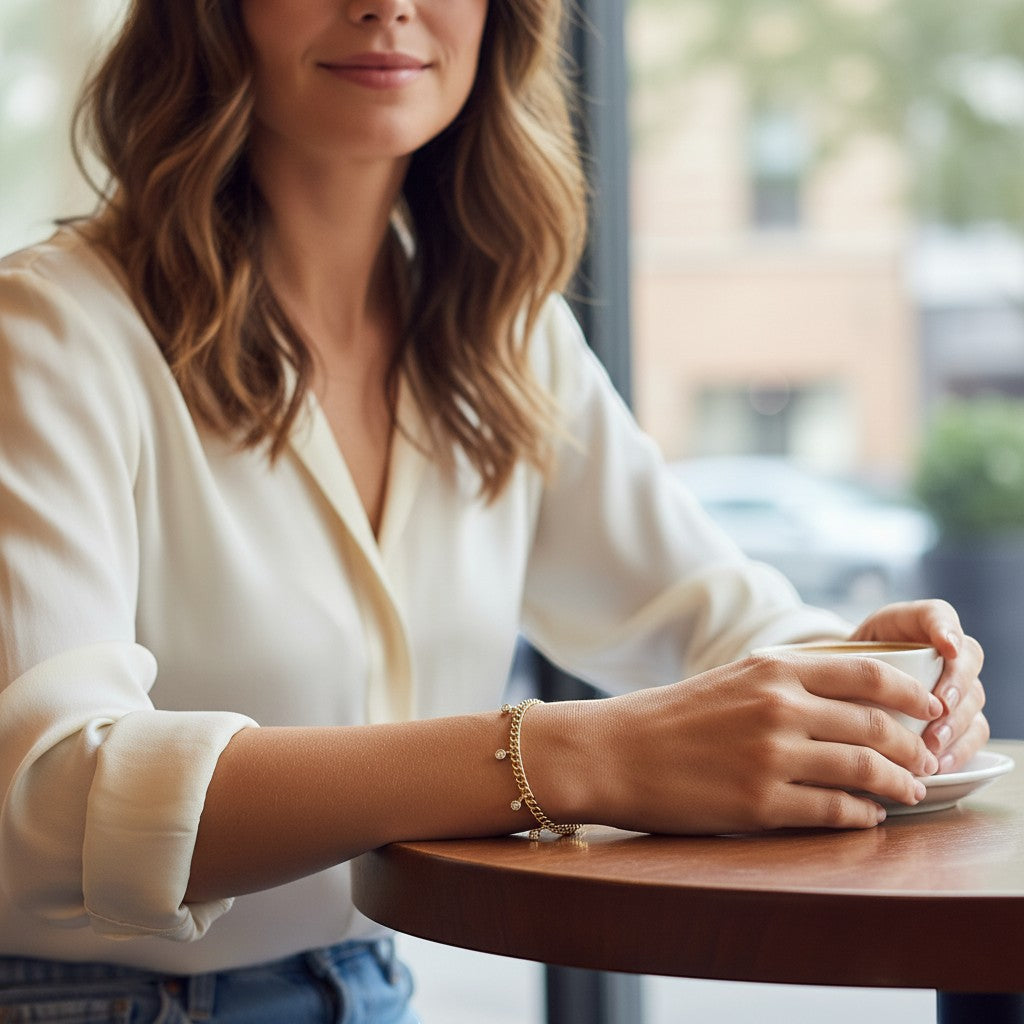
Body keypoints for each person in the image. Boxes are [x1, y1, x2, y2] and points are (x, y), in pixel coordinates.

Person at [0, 0, 988, 1020]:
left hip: (371, 989)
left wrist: (876, 679)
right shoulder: (50, 333)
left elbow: (717, 620)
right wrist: (575, 755)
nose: (387, 7)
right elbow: (50, 799)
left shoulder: (503, 342)